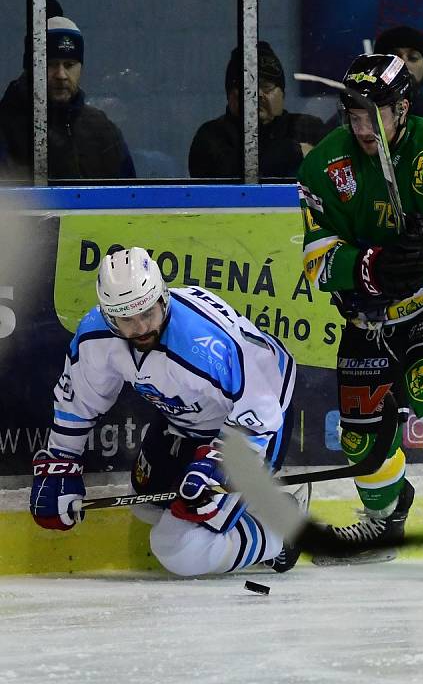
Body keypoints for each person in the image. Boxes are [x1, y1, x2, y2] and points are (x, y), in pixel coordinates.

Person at [297, 53, 423, 566]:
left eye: (375, 114)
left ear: (403, 107)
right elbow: (317, 259)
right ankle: (384, 521)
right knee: (359, 437)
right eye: (354, 115)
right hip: (371, 316)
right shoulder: (325, 165)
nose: (364, 127)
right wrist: (368, 268)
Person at [30, 247, 308, 577]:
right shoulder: (96, 336)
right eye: (126, 319)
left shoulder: (203, 340)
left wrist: (218, 464)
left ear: (162, 296)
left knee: (179, 550)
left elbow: (265, 396)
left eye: (147, 312)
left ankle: (280, 531)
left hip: (259, 419)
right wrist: (60, 463)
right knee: (146, 501)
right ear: (108, 316)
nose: (141, 327)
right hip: (189, 422)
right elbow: (78, 402)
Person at [0, 13, 135, 181]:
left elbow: (129, 196)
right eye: (50, 64)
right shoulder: (6, 127)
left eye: (69, 65)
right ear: (31, 68)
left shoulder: (103, 131)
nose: (61, 75)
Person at [188, 41, 327, 181]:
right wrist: (292, 151)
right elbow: (223, 175)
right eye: (247, 88)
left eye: (267, 87)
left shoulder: (307, 128)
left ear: (282, 94)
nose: (258, 95)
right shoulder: (211, 135)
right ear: (230, 96)